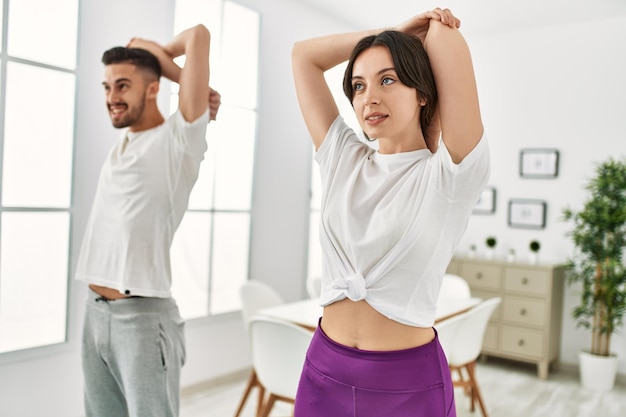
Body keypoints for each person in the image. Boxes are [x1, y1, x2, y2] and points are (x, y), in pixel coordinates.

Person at [291, 8, 489, 417]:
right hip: (323, 371)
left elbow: (443, 36)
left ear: (422, 92)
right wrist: (388, 34)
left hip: (408, 385)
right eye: (359, 86)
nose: (369, 99)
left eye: (388, 79)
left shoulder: (450, 176)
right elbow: (302, 56)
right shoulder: (342, 158)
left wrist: (417, 34)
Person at [75, 24, 220, 417]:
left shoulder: (180, 140)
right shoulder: (126, 140)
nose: (112, 98)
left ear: (153, 88)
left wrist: (189, 83)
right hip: (94, 312)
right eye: (107, 87)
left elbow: (198, 35)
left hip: (141, 319)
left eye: (123, 86)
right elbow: (136, 45)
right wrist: (178, 78)